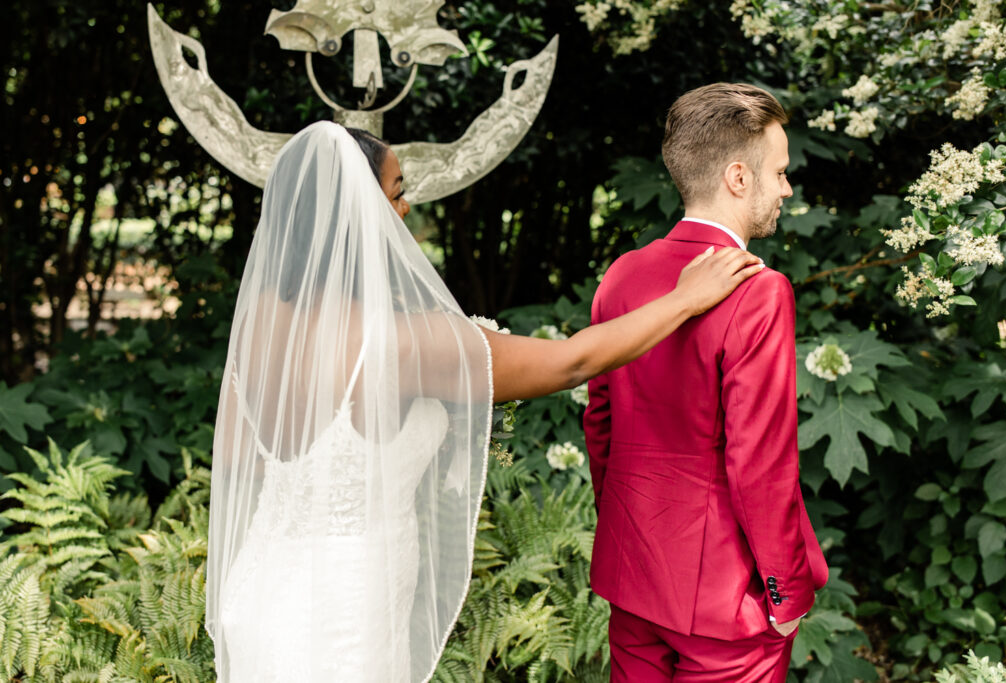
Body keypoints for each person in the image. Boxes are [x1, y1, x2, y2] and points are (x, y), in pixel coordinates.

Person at [204, 121, 762, 683]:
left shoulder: (259, 328)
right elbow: (573, 361)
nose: (403, 213)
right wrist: (687, 298)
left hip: (262, 590)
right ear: (356, 214)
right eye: (396, 195)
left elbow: (236, 461)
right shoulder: (402, 342)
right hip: (344, 608)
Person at [583, 83, 830, 682]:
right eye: (779, 172)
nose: (788, 189)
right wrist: (786, 593)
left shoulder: (623, 275)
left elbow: (600, 427)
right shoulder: (758, 290)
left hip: (635, 577)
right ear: (739, 178)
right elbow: (761, 465)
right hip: (727, 603)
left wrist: (632, 540)